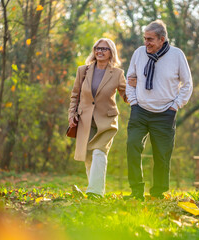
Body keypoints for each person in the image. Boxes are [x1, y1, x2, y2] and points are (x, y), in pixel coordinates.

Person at [125, 20, 193, 200]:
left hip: (165, 113)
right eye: (144, 38)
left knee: (162, 155)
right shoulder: (139, 53)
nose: (146, 43)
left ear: (162, 39)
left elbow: (187, 84)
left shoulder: (177, 55)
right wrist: (133, 101)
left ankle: (158, 193)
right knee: (132, 145)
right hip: (140, 110)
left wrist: (175, 106)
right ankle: (136, 191)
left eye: (150, 39)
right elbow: (130, 78)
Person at [68, 38, 127, 199]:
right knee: (88, 157)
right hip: (85, 120)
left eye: (104, 49)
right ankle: (95, 191)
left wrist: (134, 87)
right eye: (97, 48)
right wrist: (71, 115)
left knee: (99, 152)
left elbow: (126, 96)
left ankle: (94, 192)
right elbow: (75, 95)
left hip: (106, 121)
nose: (100, 51)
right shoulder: (83, 71)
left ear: (111, 53)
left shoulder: (117, 74)